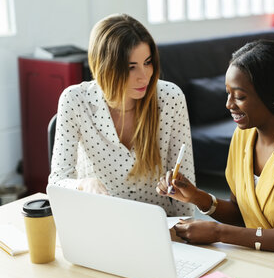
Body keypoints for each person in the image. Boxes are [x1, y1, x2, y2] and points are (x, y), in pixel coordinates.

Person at [156, 40, 274, 254]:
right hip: (256, 260)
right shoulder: (242, 136)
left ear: (272, 97)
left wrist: (220, 233)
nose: (229, 104)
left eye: (239, 96)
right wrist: (196, 196)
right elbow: (243, 214)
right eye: (228, 93)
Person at [48, 14, 195, 216]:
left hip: (158, 226)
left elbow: (184, 187)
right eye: (130, 67)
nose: (144, 75)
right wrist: (84, 184)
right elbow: (57, 180)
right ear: (105, 67)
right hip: (101, 221)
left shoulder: (170, 98)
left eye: (148, 62)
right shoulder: (74, 100)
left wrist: (186, 236)